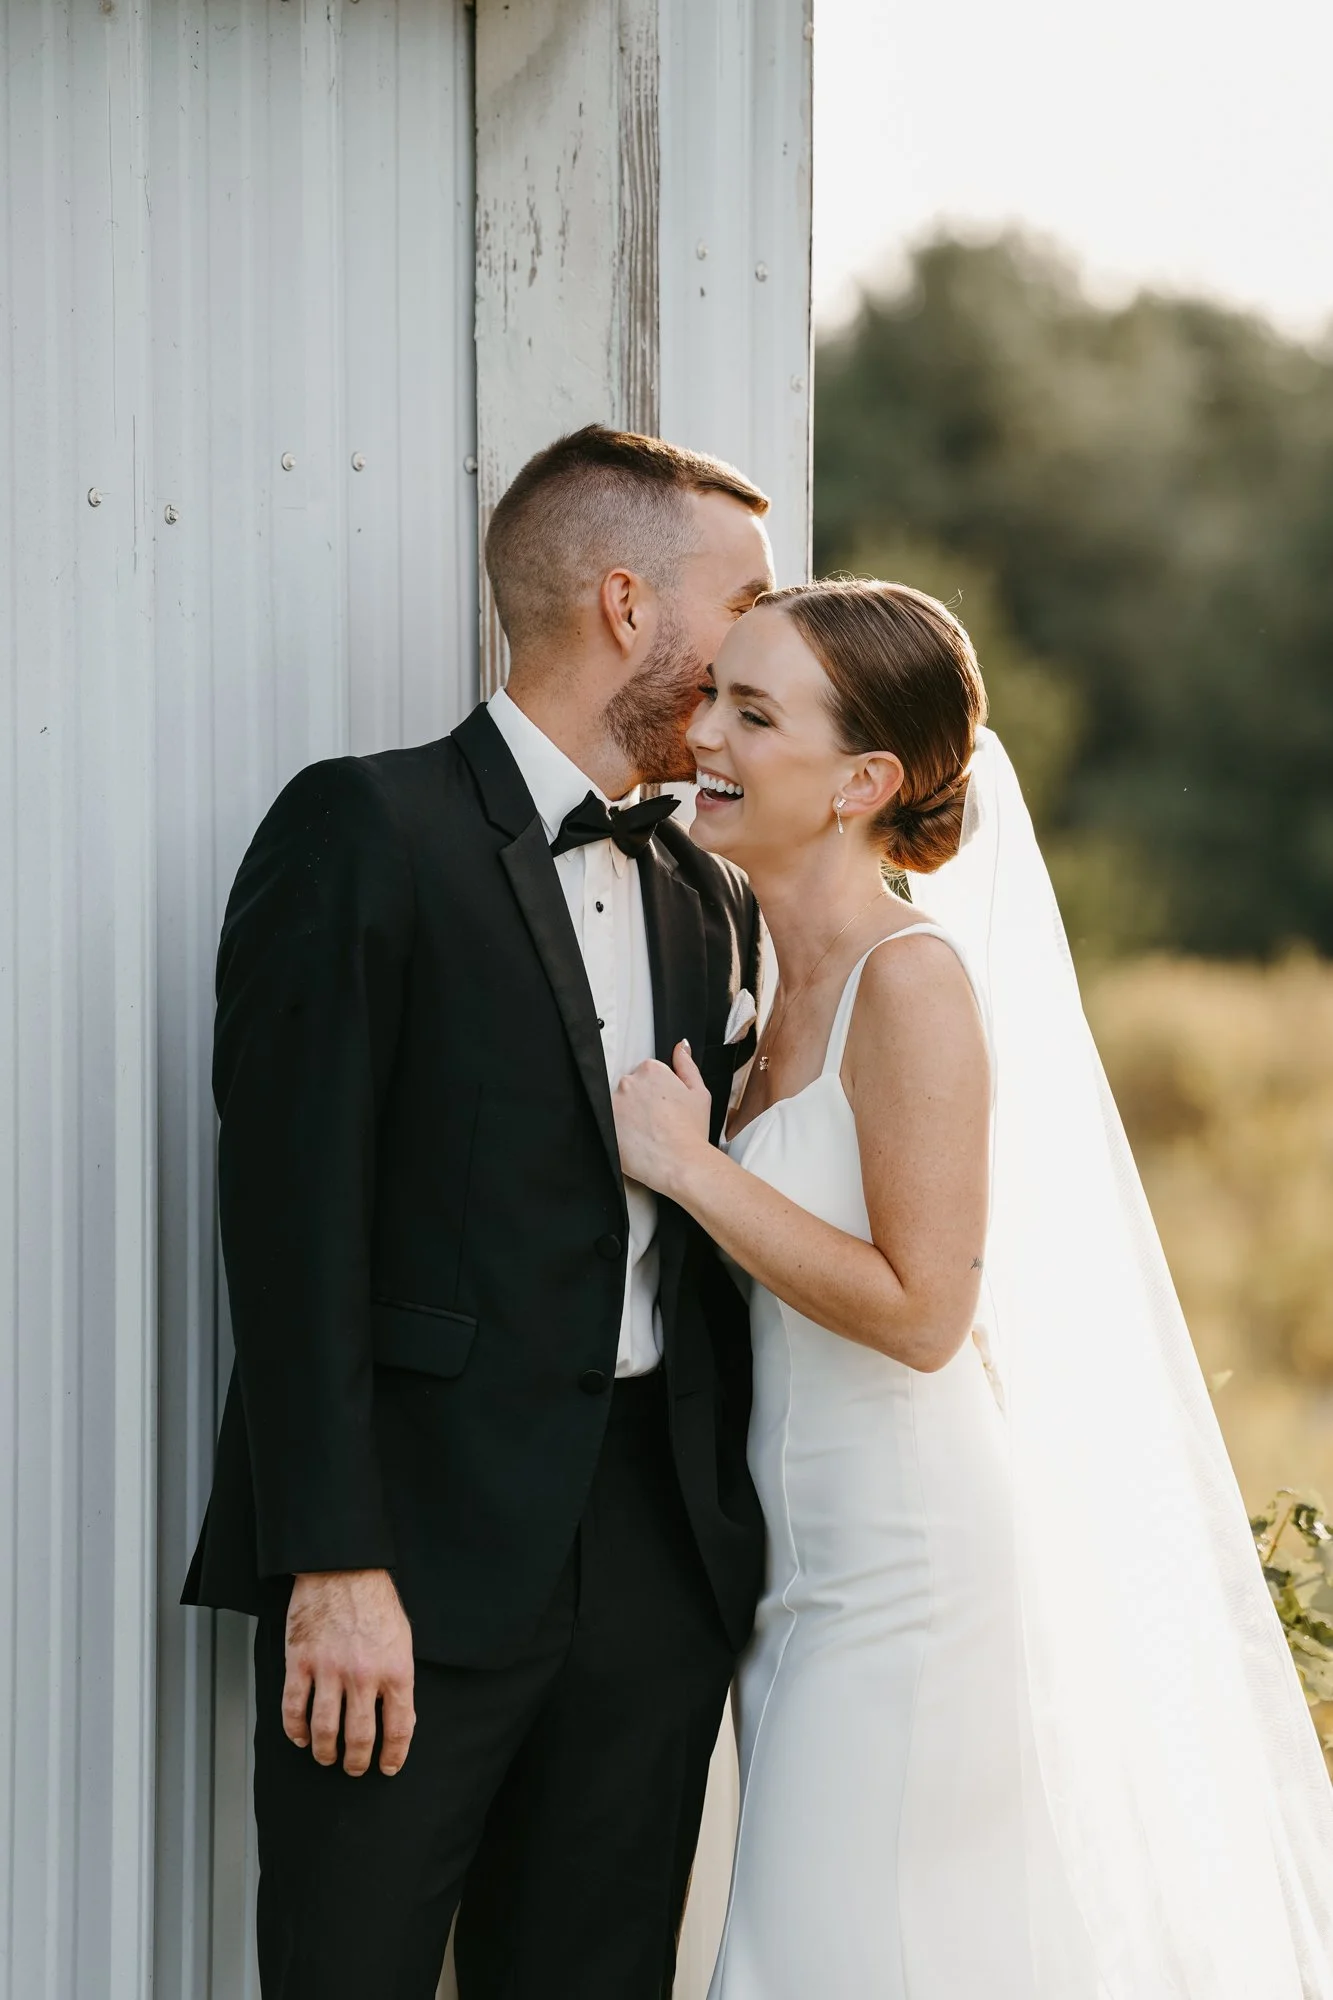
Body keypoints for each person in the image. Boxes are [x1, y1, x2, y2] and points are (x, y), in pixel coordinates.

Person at [612, 578, 1333, 1999]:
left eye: (752, 713)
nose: (703, 733)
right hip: (800, 1571)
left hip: (907, 1573)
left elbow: (926, 1311)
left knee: (828, 1956)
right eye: (713, 697)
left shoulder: (913, 981)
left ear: (862, 783)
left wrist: (695, 1174)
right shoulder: (759, 975)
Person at [182, 425, 775, 1999]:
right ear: (629, 604)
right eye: (746, 603)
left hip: (651, 1564)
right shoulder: (364, 831)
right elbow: (291, 1222)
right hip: (412, 1567)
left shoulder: (702, 889)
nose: (763, 645)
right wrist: (333, 1561)